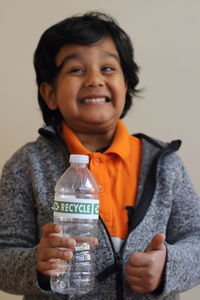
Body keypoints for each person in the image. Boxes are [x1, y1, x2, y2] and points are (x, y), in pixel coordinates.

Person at [0, 11, 200, 300]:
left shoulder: (164, 162)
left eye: (107, 68)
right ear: (50, 94)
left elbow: (196, 238)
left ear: (126, 84)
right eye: (76, 70)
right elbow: (4, 255)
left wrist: (168, 265)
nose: (94, 79)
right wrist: (38, 264)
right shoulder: (27, 165)